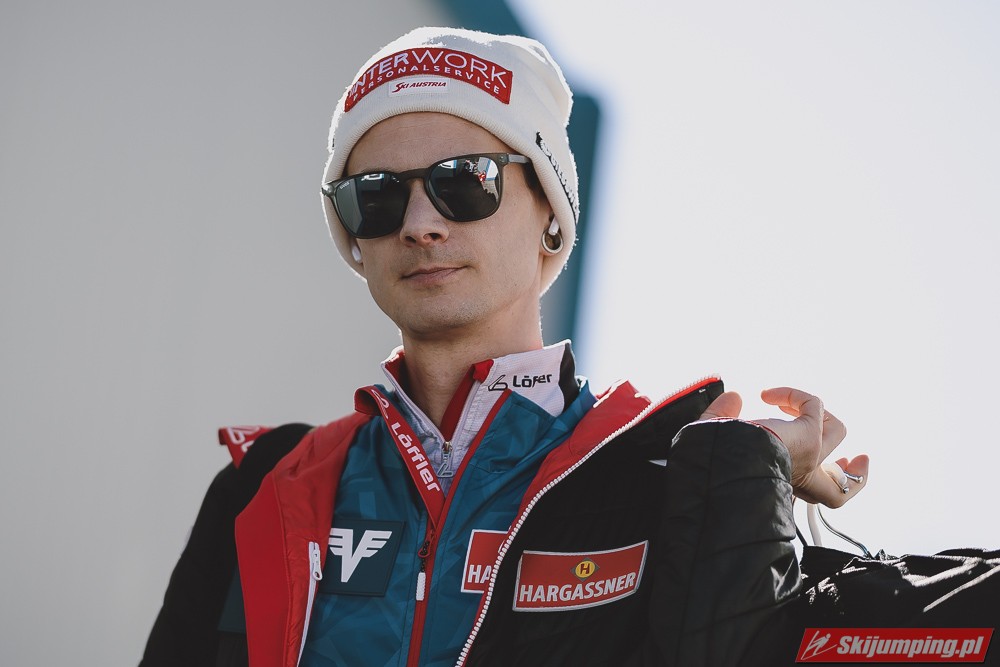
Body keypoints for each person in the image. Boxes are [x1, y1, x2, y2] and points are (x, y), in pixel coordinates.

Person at [141, 27, 870, 667]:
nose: (420, 224)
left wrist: (745, 476)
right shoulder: (264, 482)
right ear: (354, 240)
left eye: (465, 182)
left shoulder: (664, 471)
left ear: (551, 210)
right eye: (377, 196)